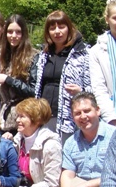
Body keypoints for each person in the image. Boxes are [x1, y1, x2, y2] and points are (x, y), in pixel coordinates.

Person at [32, 10, 91, 140]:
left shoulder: (82, 53)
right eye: (52, 28)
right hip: (44, 116)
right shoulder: (44, 54)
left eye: (61, 27)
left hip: (69, 118)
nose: (57, 31)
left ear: (69, 28)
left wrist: (80, 92)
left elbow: (92, 87)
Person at [0, 14, 37, 137]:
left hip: (24, 117)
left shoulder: (33, 56)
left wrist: (9, 80)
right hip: (4, 118)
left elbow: (33, 91)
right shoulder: (2, 56)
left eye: (18, 32)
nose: (13, 36)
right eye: (10, 32)